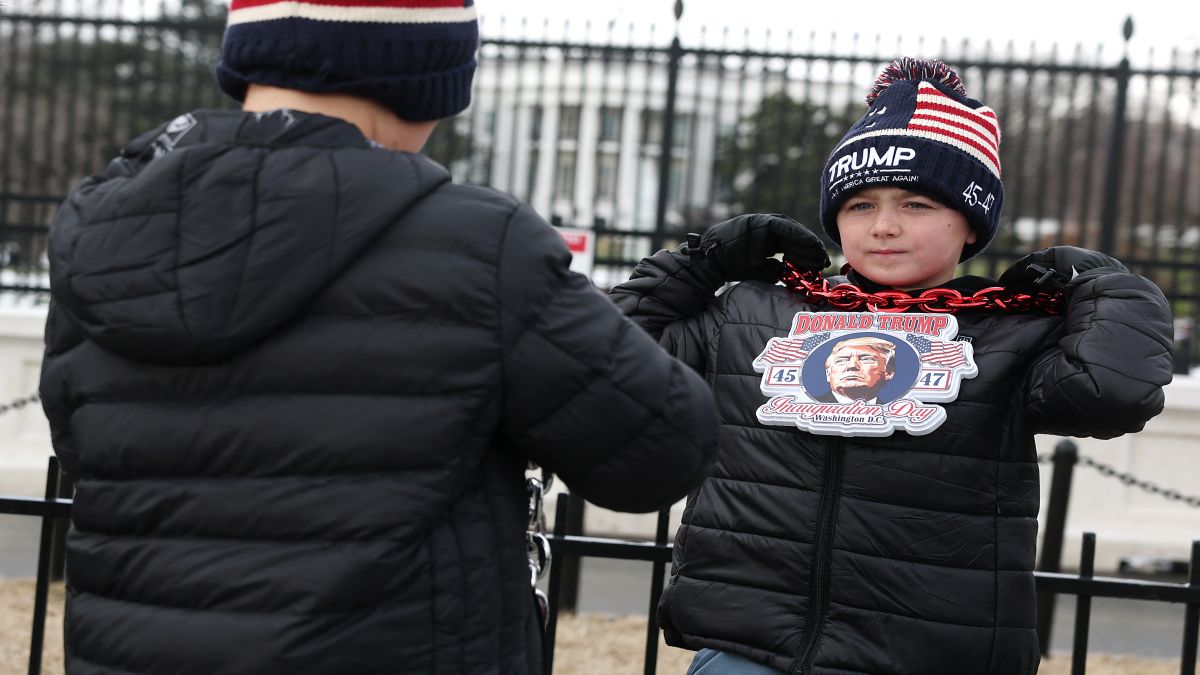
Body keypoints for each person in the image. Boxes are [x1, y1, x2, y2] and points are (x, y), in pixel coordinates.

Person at [37, 2, 720, 674]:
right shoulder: (479, 248)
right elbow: (660, 451)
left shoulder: (104, 235)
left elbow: (81, 443)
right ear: (424, 79)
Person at [610, 57, 1174, 675]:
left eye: (916, 204)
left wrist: (1108, 287)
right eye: (859, 206)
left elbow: (1110, 393)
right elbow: (611, 365)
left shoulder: (1012, 335)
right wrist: (700, 265)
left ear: (970, 224)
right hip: (752, 650)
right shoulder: (750, 312)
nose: (883, 226)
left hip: (929, 655)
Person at [818, 336, 897, 403]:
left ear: (888, 372)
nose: (852, 366)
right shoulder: (807, 409)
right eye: (841, 361)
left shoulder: (896, 417)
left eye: (866, 359)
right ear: (828, 374)